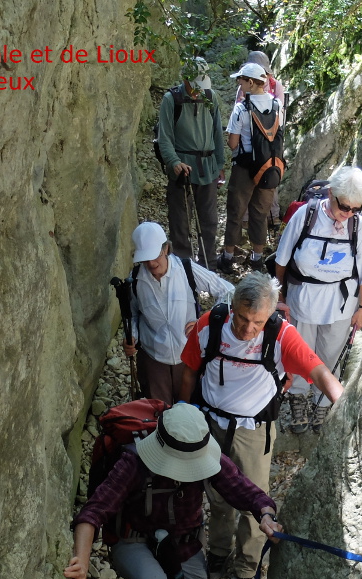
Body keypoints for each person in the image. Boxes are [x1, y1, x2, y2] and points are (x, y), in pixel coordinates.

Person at [65, 403, 283, 579]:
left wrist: (265, 515)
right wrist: (80, 562)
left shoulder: (204, 453)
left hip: (185, 543)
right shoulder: (133, 462)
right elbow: (93, 512)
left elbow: (246, 491)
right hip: (133, 540)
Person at [180, 271, 344, 579]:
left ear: (269, 315)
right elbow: (189, 369)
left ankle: (246, 572)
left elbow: (318, 371)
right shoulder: (209, 325)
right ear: (232, 305)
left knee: (256, 503)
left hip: (254, 431)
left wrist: (344, 405)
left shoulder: (282, 335)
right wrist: (183, 412)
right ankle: (218, 553)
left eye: (258, 321)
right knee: (218, 498)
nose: (248, 328)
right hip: (211, 425)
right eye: (242, 317)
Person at [273, 166, 362, 434]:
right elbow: (281, 260)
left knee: (330, 355)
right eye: (344, 207)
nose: (349, 213)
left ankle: (321, 403)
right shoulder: (305, 216)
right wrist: (279, 294)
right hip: (302, 298)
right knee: (300, 353)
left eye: (356, 209)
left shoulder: (358, 226)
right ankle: (298, 398)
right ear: (331, 194)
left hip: (341, 303)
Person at [124, 222, 234, 404]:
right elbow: (133, 313)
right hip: (154, 358)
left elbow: (228, 292)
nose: (151, 263)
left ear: (166, 248)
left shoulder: (186, 269)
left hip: (189, 355)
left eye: (155, 256)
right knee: (158, 414)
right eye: (145, 259)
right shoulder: (135, 278)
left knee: (189, 412)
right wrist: (132, 336)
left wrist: (207, 322)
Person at [156, 58, 225, 266]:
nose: (198, 92)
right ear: (185, 79)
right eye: (195, 87)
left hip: (208, 168)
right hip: (181, 170)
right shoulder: (171, 100)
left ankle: (208, 264)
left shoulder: (211, 97)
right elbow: (164, 137)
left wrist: (220, 164)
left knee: (209, 221)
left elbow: (217, 133)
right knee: (180, 222)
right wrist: (174, 161)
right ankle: (183, 266)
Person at [217, 61, 282, 274]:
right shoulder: (277, 105)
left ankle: (227, 258)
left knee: (235, 211)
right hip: (269, 168)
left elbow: (233, 143)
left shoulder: (241, 108)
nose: (239, 83)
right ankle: (256, 259)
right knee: (260, 213)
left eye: (242, 80)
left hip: (244, 168)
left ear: (252, 83)